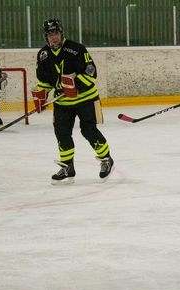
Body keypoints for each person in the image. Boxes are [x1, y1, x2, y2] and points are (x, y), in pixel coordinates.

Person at [33, 18, 114, 185]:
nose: (53, 37)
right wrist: (42, 95)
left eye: (56, 33)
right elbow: (45, 81)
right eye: (50, 34)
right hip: (62, 102)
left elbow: (91, 73)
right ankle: (67, 167)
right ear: (46, 37)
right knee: (62, 133)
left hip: (86, 98)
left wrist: (75, 86)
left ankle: (106, 159)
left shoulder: (76, 49)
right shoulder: (43, 55)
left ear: (61, 33)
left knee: (88, 131)